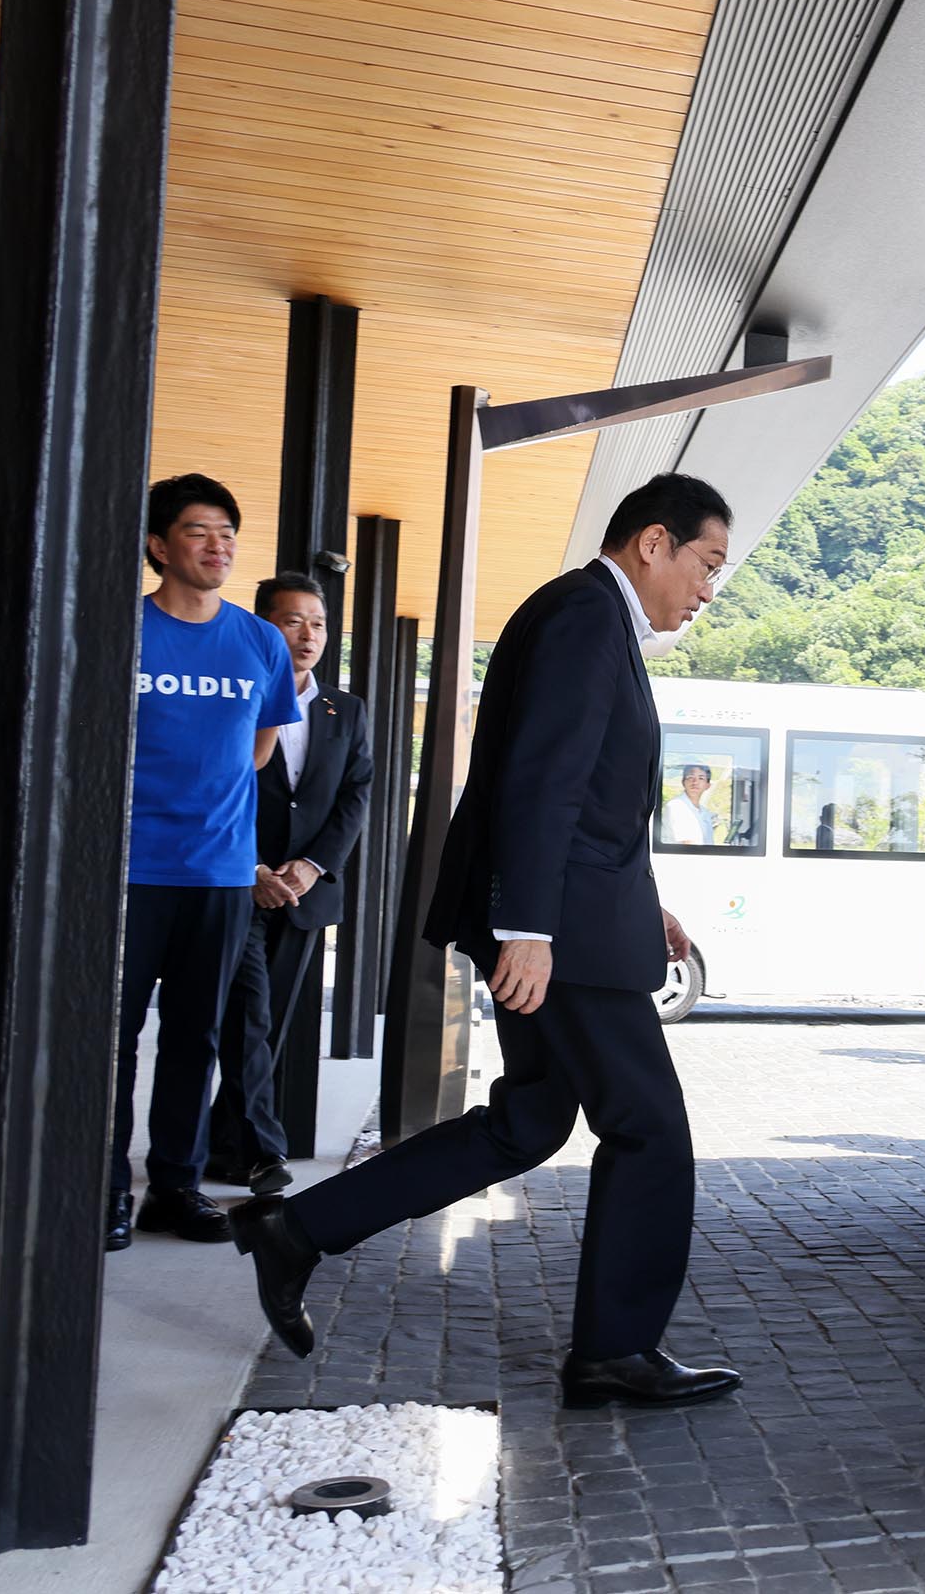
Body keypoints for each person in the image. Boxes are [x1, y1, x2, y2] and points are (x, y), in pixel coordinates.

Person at [234, 473, 743, 1411]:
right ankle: (614, 1351)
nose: (709, 588)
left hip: (586, 921)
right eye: (708, 563)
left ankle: (298, 1231)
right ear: (654, 543)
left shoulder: (591, 618)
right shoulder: (586, 617)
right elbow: (537, 784)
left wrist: (647, 907)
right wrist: (530, 929)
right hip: (568, 938)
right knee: (652, 1131)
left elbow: (597, 806)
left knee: (531, 1121)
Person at [110, 475, 300, 1252]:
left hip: (220, 874)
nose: (218, 545)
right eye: (198, 531)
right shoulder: (124, 630)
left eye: (227, 531)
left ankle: (175, 1188)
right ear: (158, 546)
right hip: (126, 871)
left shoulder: (257, 640)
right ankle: (100, 1190)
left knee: (197, 1038)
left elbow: (258, 748)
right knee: (112, 1038)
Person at [208, 572, 373, 1194]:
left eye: (319, 623)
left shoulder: (345, 709)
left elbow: (355, 796)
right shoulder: (233, 697)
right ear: (262, 628)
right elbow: (219, 785)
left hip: (304, 889)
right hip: (236, 880)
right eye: (291, 621)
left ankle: (221, 1142)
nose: (307, 636)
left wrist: (312, 865)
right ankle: (261, 1153)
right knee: (248, 1014)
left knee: (267, 1022)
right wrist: (250, 868)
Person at [659, 763, 717, 846]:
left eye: (701, 778)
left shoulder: (705, 812)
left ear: (708, 785)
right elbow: (688, 844)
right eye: (690, 777)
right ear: (683, 782)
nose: (695, 782)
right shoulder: (676, 806)